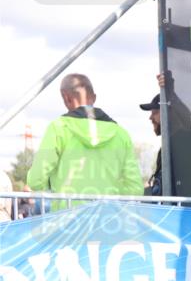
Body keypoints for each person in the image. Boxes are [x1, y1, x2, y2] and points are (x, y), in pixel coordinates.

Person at [27, 73, 143, 208]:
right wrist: (108, 193)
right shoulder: (121, 134)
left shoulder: (58, 128)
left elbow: (36, 180)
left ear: (65, 97)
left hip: (68, 220)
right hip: (109, 220)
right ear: (94, 97)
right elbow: (136, 188)